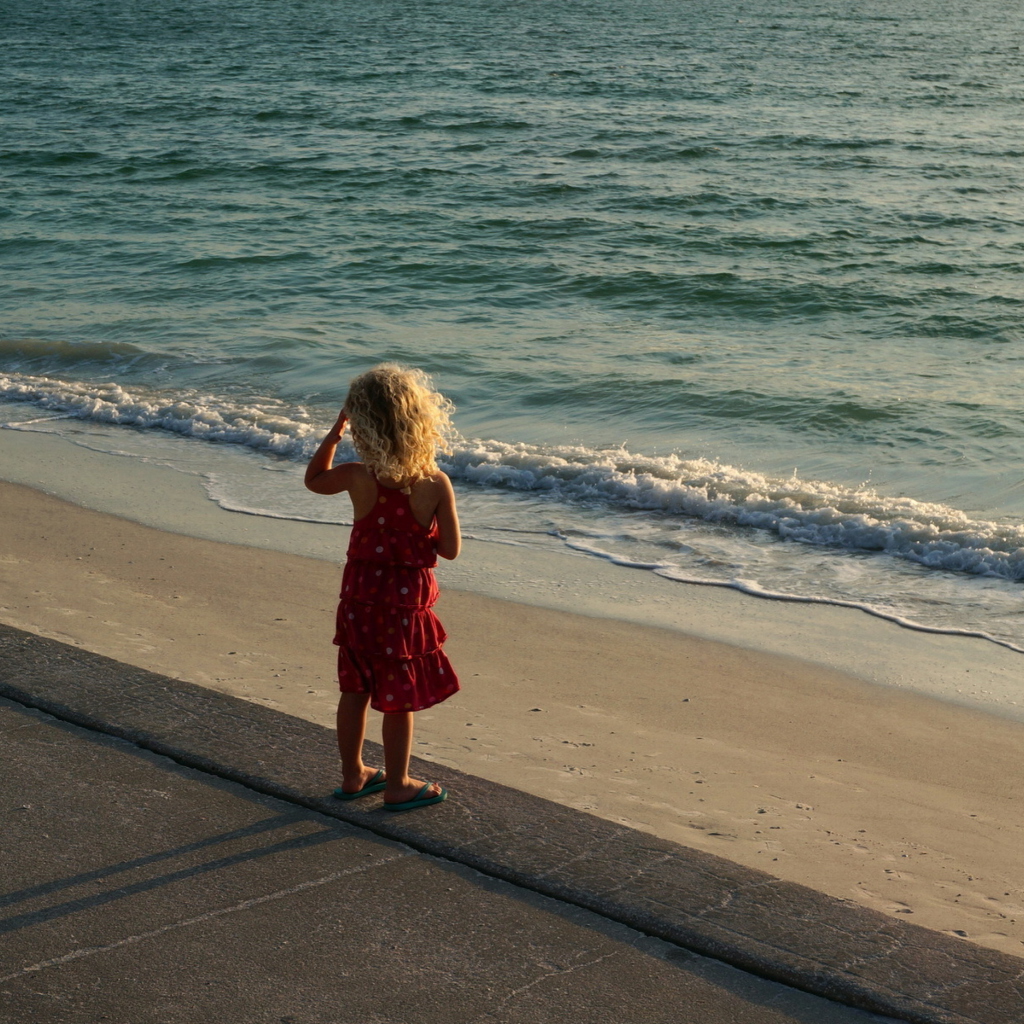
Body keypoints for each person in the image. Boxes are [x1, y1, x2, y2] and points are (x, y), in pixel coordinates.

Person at [304, 364, 461, 812]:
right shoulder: (434, 483)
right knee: (397, 698)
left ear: (362, 423)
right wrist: (417, 538)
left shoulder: (358, 475)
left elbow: (314, 481)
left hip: (358, 603)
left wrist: (333, 435)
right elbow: (449, 549)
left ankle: (354, 774)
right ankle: (398, 784)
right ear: (419, 420)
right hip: (404, 610)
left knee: (354, 689)